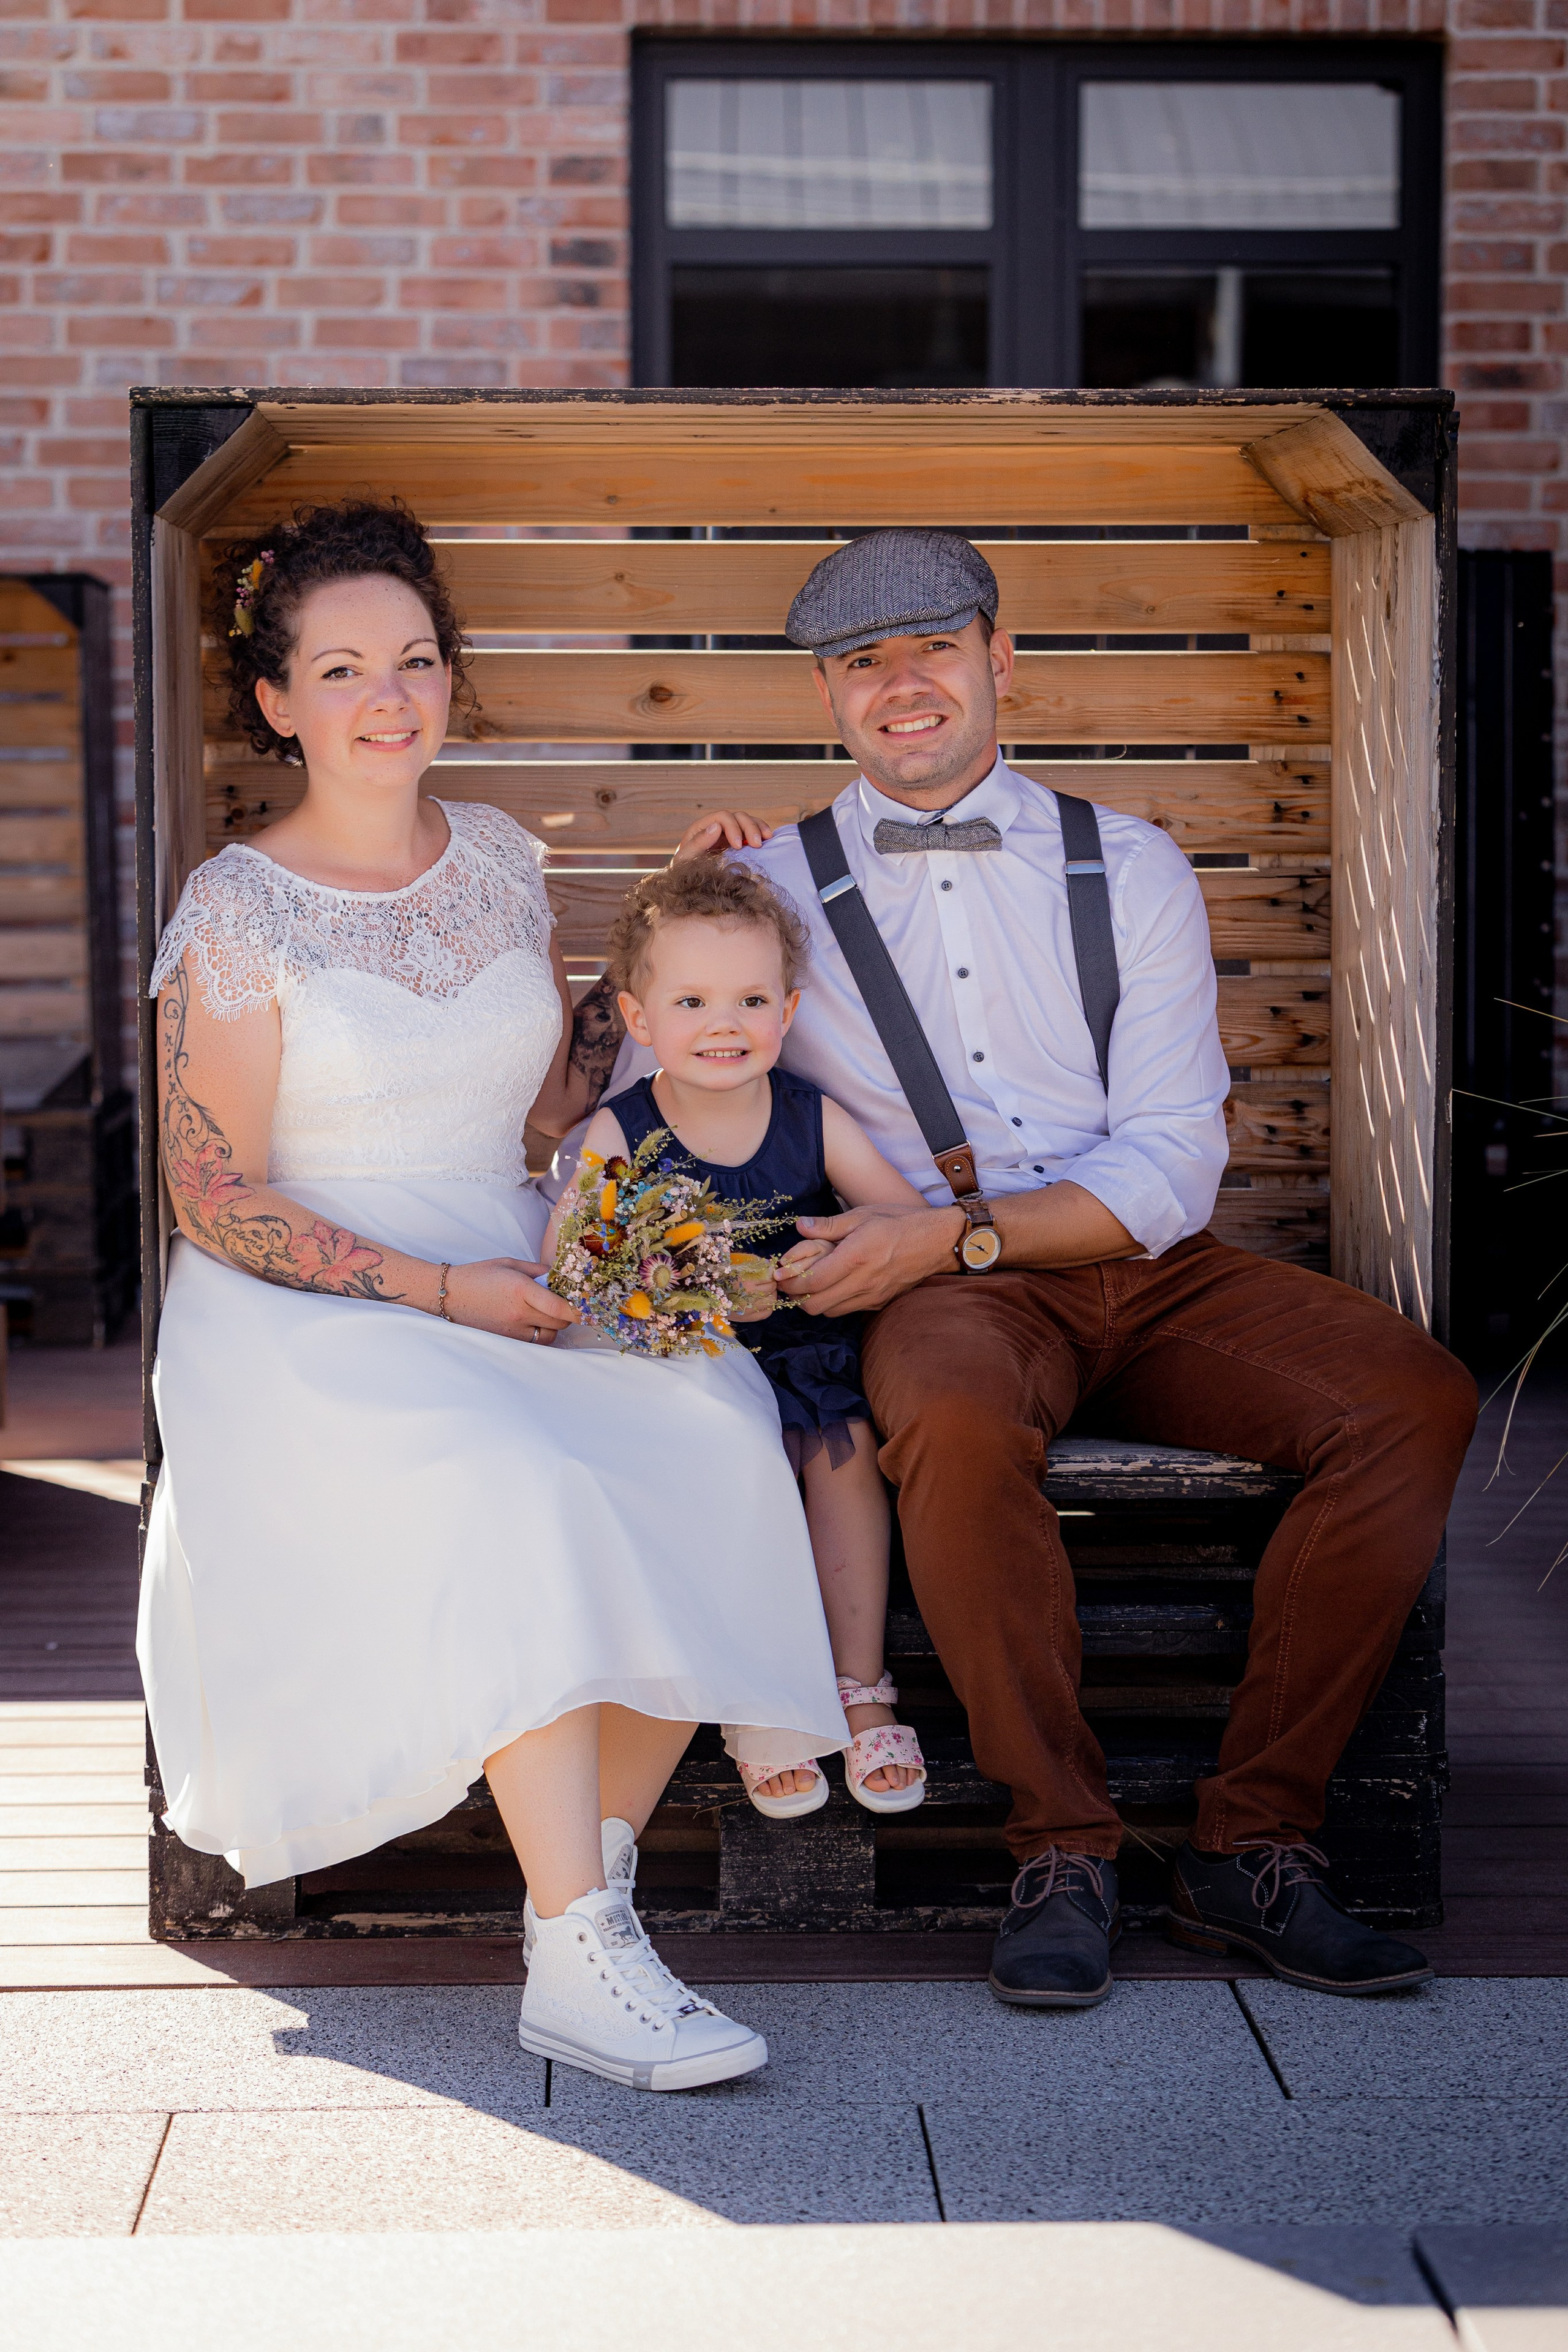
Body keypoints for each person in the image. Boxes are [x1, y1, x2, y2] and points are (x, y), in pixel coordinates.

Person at [688, 527, 1478, 2008]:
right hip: (948, 1302)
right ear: (825, 701)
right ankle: (1062, 1848)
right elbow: (664, 1064)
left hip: (1138, 1259)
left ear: (1003, 661)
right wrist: (672, 933)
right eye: (862, 663)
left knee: (1408, 1397)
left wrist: (961, 1228)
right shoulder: (769, 889)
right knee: (957, 1418)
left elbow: (1175, 1158)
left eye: (933, 645)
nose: (901, 685)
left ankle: (1253, 1844)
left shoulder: (1129, 863)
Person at [138, 499, 849, 2094]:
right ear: (278, 702)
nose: (387, 698)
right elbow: (214, 1194)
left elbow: (538, 1109)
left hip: (508, 1241)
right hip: (311, 1305)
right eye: (340, 669)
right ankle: (585, 1944)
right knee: (518, 1482)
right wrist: (440, 1291)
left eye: (413, 660)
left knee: (724, 1432)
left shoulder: (504, 856)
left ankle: (578, 1912)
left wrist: (645, 952)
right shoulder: (237, 911)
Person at [551, 859, 928, 1821]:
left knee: (843, 1462)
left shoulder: (811, 1117)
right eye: (692, 1001)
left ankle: (860, 1682)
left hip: (807, 1353)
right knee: (733, 1463)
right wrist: (685, 1285)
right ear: (640, 1022)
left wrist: (823, 1266)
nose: (725, 1024)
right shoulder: (621, 1131)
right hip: (686, 1370)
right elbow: (573, 1265)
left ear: (789, 1011)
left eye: (751, 999)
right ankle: (760, 1702)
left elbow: (897, 1223)